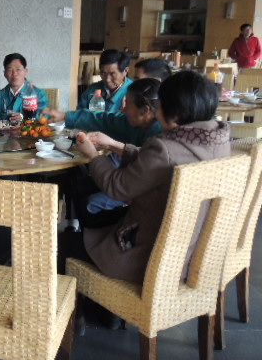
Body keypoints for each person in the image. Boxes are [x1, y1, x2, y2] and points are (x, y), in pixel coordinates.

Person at [64, 70, 230, 286]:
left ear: (173, 112)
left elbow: (117, 187)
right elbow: (160, 163)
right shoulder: (218, 142)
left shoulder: (164, 148)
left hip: (150, 257)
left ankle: (93, 301)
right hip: (194, 254)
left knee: (59, 247)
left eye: (160, 103)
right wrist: (114, 145)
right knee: (96, 220)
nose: (156, 109)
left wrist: (93, 155)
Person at [0, 52, 49, 122]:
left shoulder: (38, 94)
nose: (14, 74)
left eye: (18, 69)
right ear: (4, 73)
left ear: (26, 71)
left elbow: (45, 118)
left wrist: (24, 118)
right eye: (10, 70)